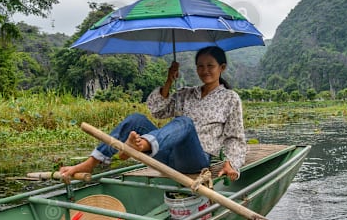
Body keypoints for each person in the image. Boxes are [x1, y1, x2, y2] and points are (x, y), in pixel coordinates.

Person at [59, 46, 246, 182]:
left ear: (222, 68)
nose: (204, 71)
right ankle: (90, 163)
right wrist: (168, 81)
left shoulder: (230, 98)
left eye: (210, 66)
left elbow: (235, 137)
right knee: (136, 119)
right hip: (166, 155)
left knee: (185, 123)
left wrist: (231, 163)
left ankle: (143, 145)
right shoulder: (186, 93)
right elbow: (157, 111)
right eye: (200, 66)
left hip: (195, 159)